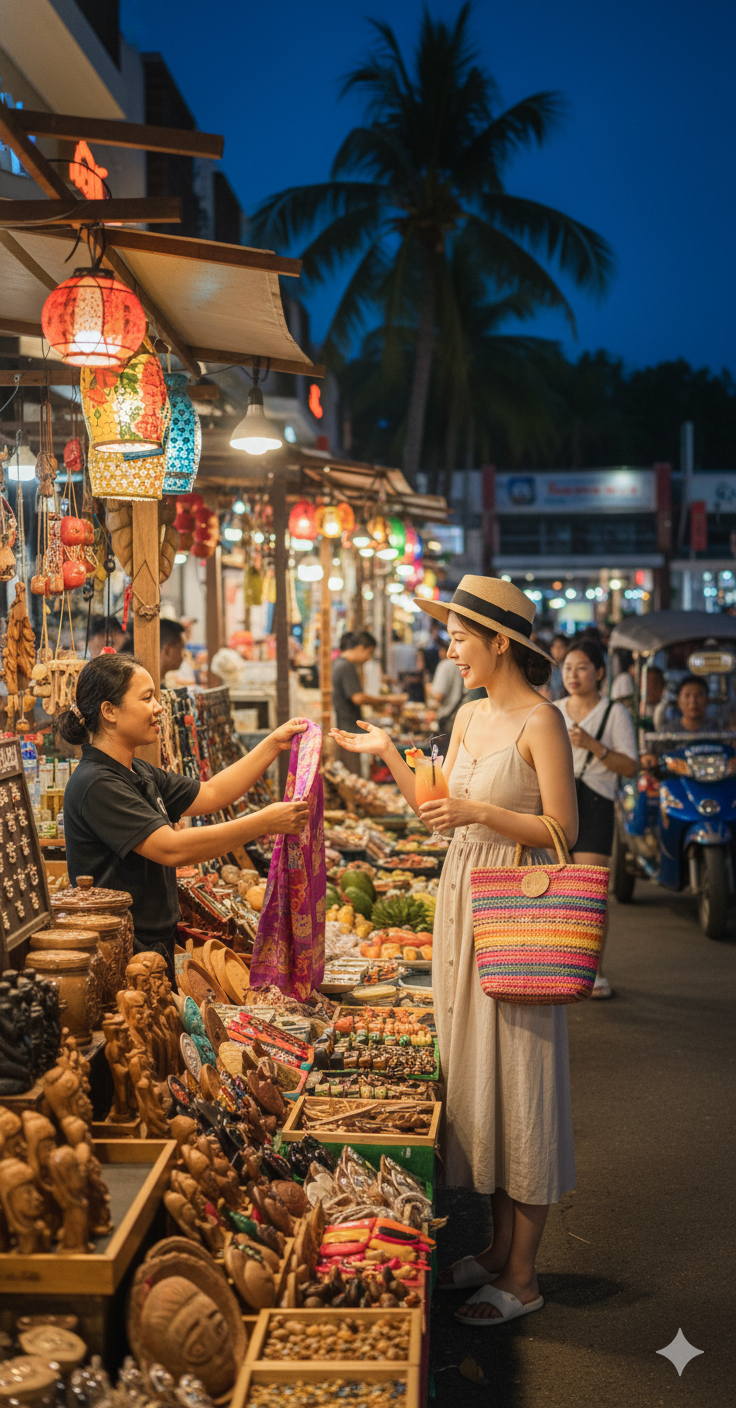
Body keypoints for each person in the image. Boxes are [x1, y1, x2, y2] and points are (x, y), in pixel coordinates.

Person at [331, 575, 578, 1326]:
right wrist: (389, 756)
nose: (451, 649)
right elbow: (438, 813)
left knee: (523, 1079)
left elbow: (564, 832)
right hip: (461, 900)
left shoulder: (544, 721)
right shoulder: (468, 715)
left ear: (500, 641)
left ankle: (525, 1277)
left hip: (515, 905)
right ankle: (500, 1252)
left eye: (461, 636)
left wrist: (482, 811)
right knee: (481, 1077)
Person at [58, 654, 309, 965]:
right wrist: (265, 821)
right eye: (147, 698)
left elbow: (213, 792)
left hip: (153, 940)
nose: (159, 708)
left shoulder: (138, 771)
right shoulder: (96, 784)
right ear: (109, 711)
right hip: (123, 950)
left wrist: (273, 743)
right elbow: (172, 849)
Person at [556, 639, 638, 1000]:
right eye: (568, 667)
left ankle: (595, 973)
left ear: (600, 672)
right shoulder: (553, 710)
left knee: (590, 896)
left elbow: (630, 766)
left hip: (595, 803)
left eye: (582, 667)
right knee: (556, 891)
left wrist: (593, 745)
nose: (573, 675)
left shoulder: (614, 713)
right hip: (557, 803)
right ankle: (557, 969)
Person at [331, 632, 406, 775]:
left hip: (347, 725)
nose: (368, 657)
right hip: (349, 727)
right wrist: (387, 700)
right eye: (369, 652)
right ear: (360, 648)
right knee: (353, 772)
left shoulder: (341, 663)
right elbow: (357, 698)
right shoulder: (345, 666)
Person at [427, 636, 464, 741]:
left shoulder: (445, 665)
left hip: (448, 718)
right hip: (462, 717)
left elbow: (439, 695)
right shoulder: (463, 664)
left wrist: (429, 689)